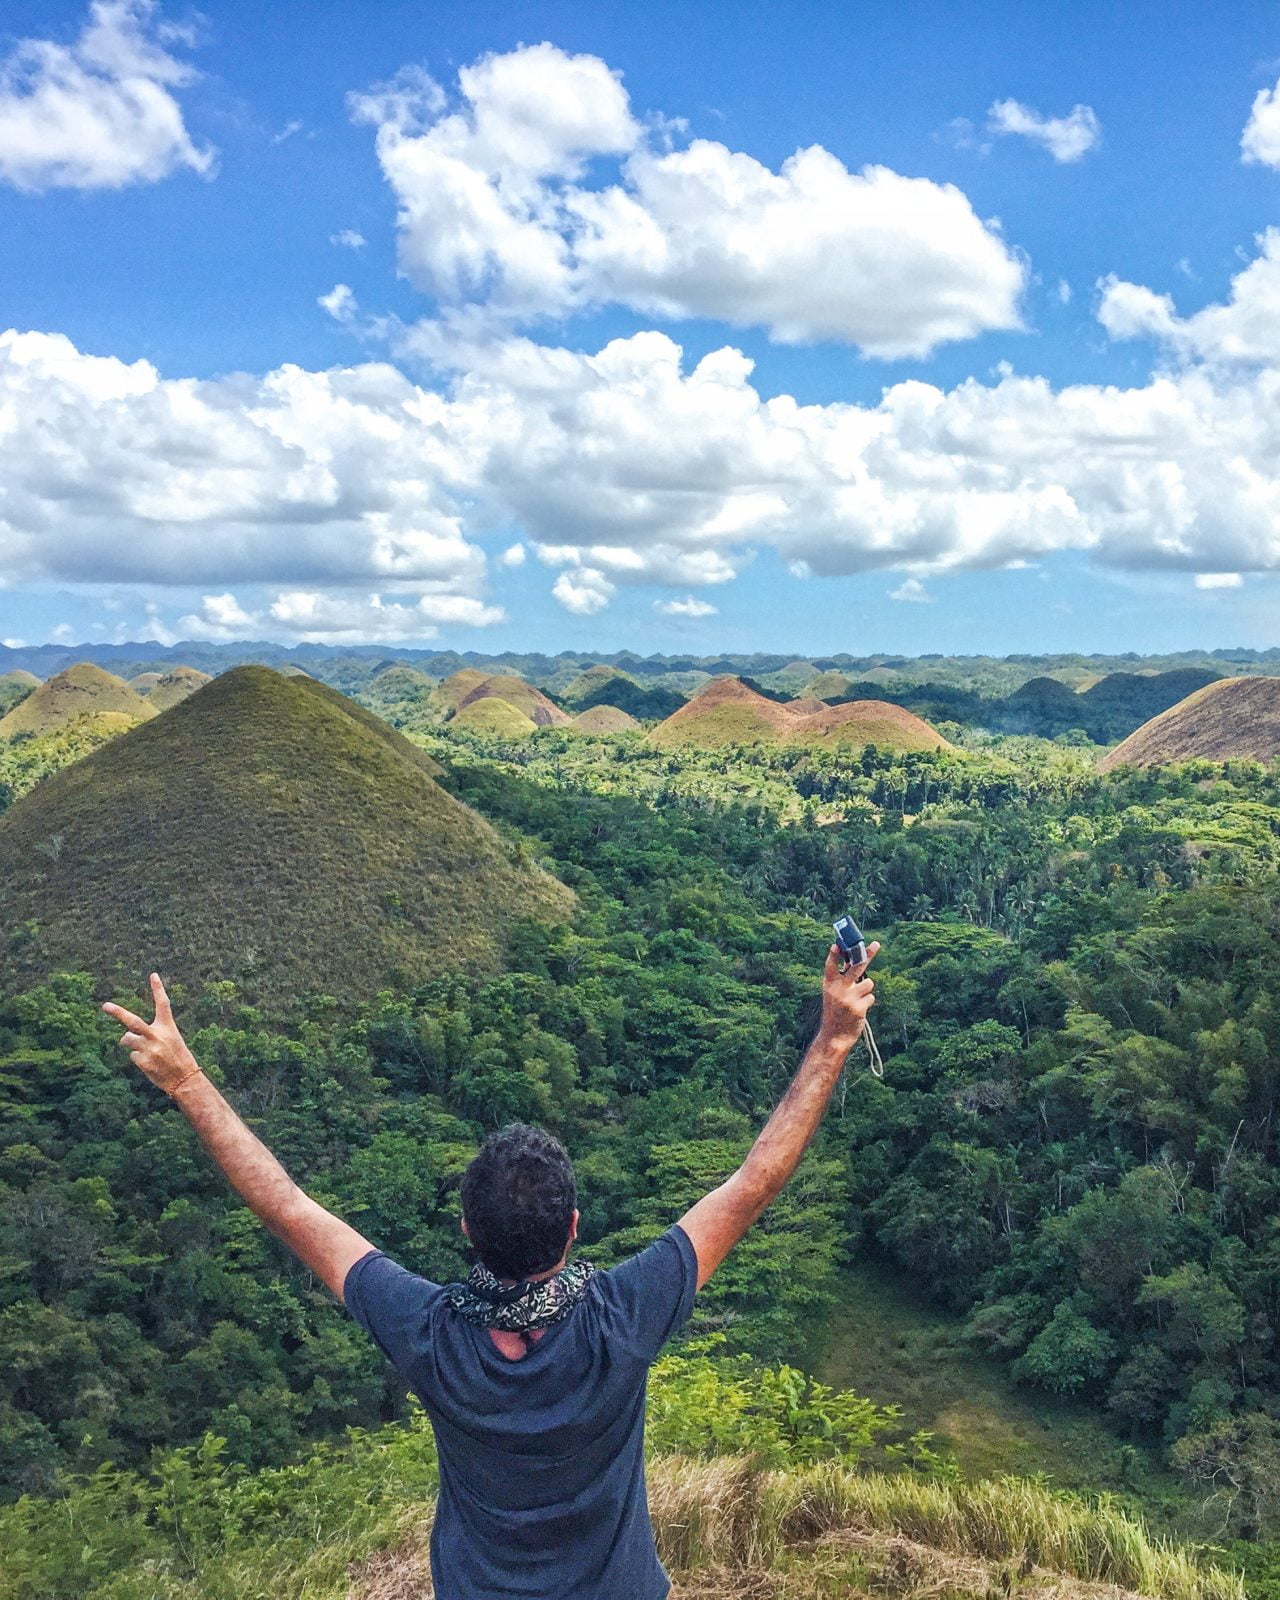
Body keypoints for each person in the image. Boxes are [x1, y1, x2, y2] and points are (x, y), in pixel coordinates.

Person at [103, 938, 878, 1600]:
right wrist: (833, 1039)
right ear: (573, 1229)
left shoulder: (430, 1335)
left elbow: (291, 1210)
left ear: (467, 1230)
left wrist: (188, 1082)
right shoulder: (624, 1317)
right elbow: (753, 1182)